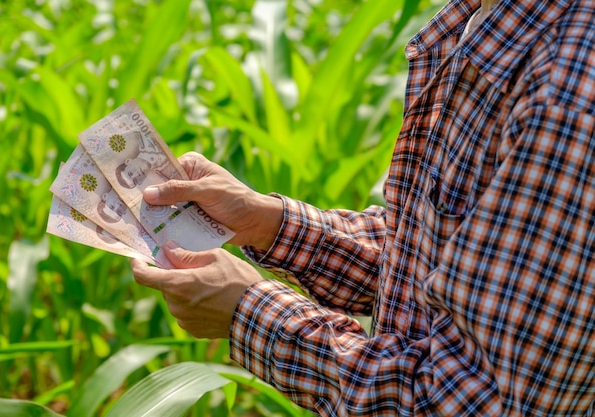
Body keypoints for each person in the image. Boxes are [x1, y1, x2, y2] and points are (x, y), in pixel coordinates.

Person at [130, 0, 595, 414]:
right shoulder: (494, 18)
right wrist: (266, 222)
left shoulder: (566, 91)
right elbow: (443, 255)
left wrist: (248, 312)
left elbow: (474, 400)